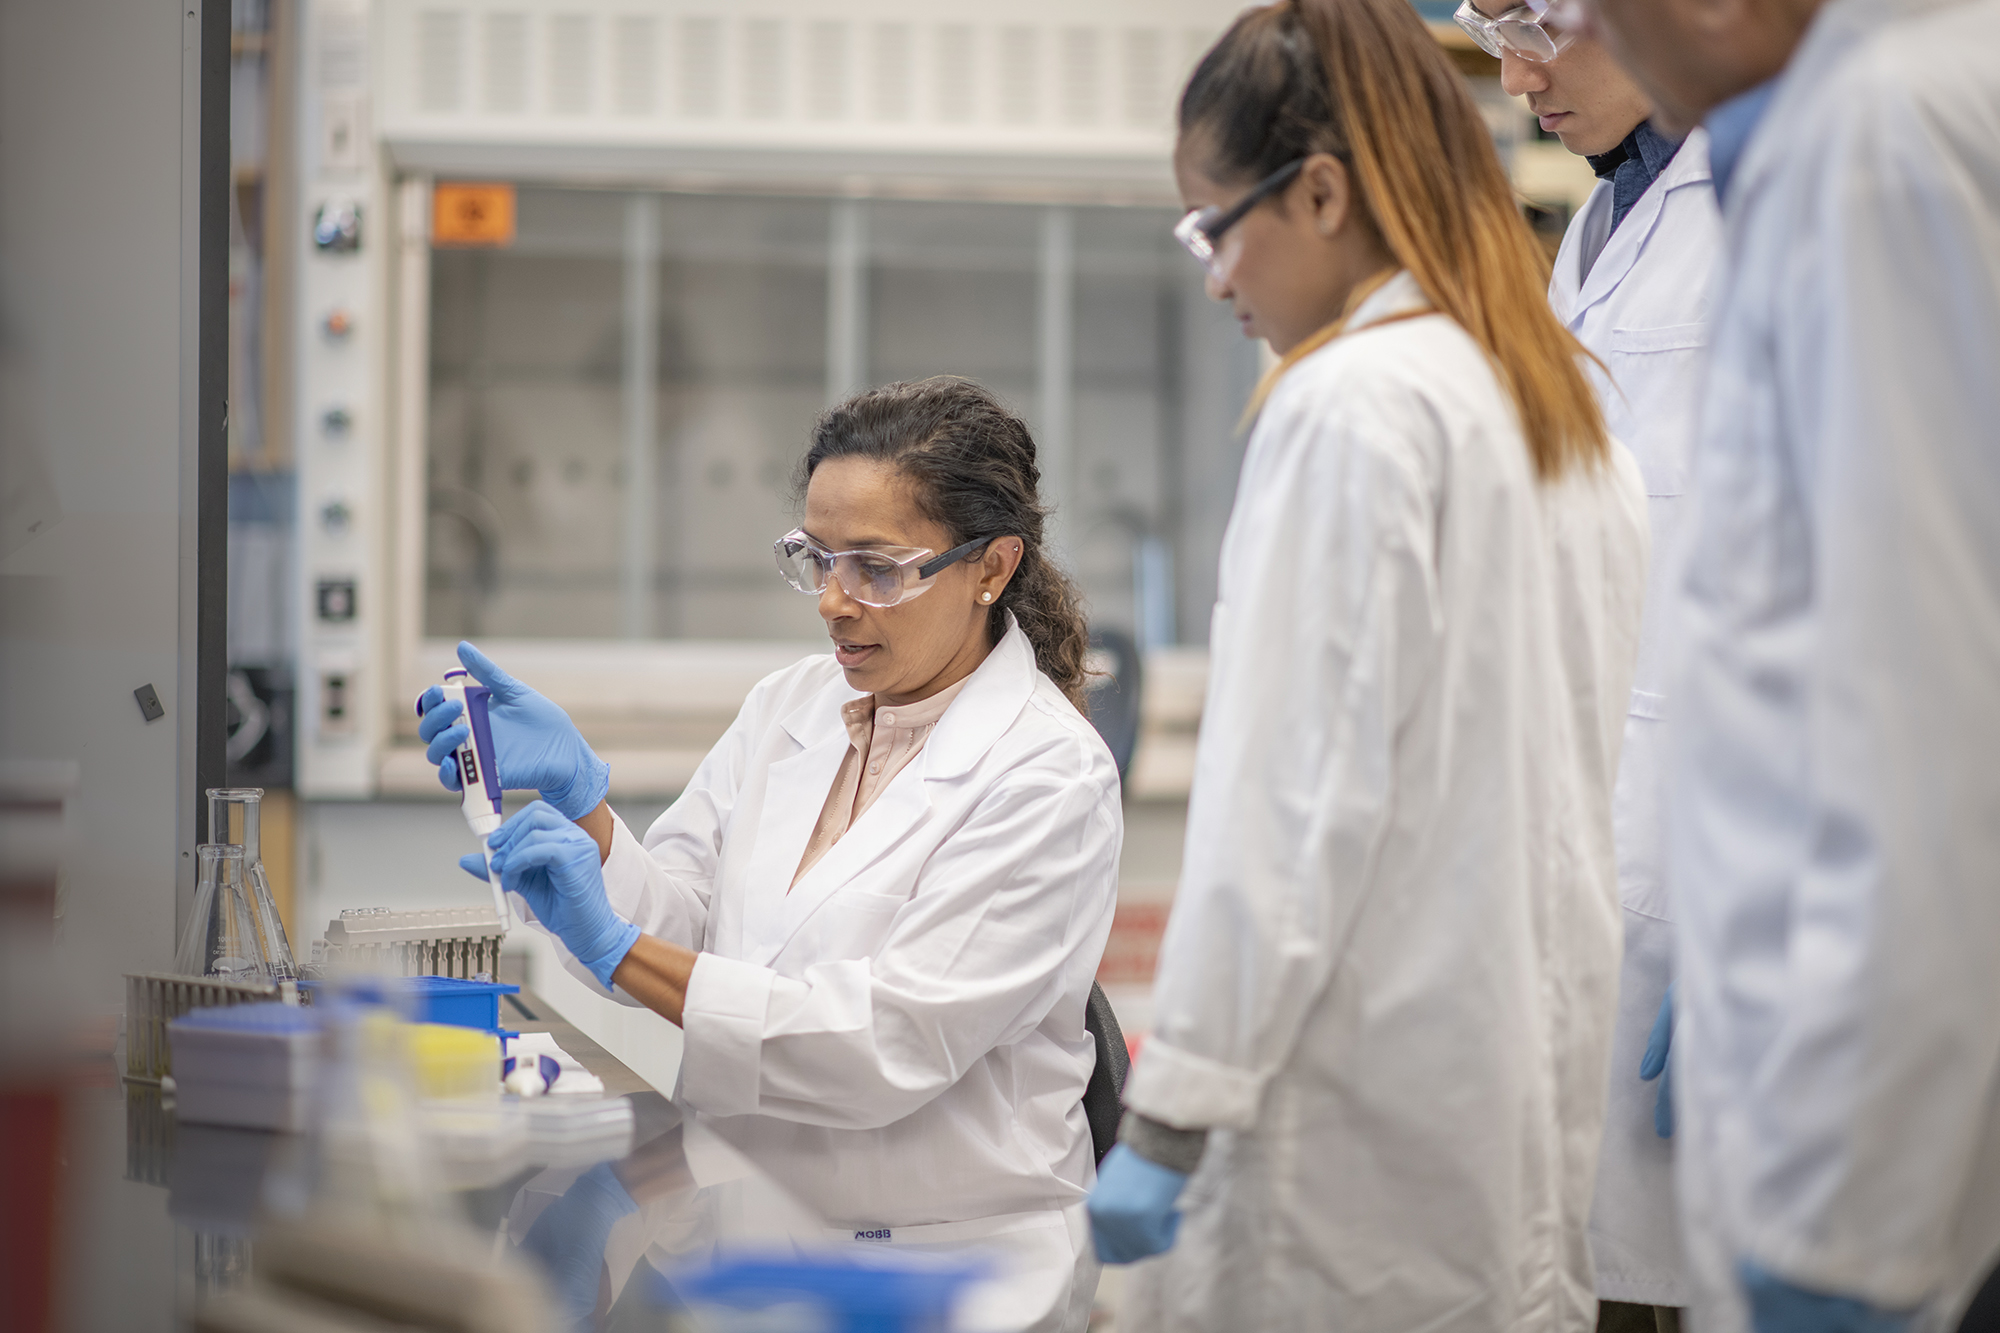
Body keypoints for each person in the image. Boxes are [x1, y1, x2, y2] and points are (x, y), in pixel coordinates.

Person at [1084, 0, 1650, 1327]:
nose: (1216, 276)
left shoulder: (1357, 405)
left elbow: (1289, 805)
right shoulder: (1558, 403)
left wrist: (1173, 1115)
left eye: (1216, 227)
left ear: (1323, 191)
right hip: (1508, 1118)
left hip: (1340, 1139)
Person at [418, 377, 1121, 1333]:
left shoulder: (1048, 776)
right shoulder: (791, 707)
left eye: (875, 566)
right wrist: (586, 816)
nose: (834, 601)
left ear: (992, 567)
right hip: (758, 1229)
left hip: (953, 1271)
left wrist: (621, 947)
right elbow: (687, 932)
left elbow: (882, 1047)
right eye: (817, 558)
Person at [1558, 0, 2000, 1328]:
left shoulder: (1882, 133)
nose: (1559, 38)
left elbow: (1924, 687)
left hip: (1881, 1047)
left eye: (1572, 8)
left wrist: (1848, 1228)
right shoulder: (1848, 125)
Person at [1457, 0, 1725, 1323]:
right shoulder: (1603, 222)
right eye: (1487, 30)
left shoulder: (1775, 203)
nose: (1513, 75)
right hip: (1610, 851)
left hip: (1730, 867)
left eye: (1538, 26)